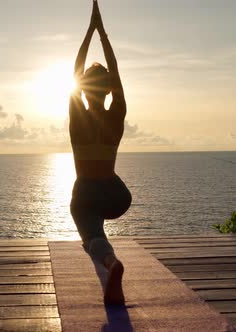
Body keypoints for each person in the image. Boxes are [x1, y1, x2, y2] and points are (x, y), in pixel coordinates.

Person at [69, 0, 132, 305]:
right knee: (96, 220)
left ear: (83, 89)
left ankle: (110, 262)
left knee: (91, 234)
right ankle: (106, 269)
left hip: (86, 192)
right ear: (108, 89)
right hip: (117, 195)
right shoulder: (116, 113)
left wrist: (89, 31)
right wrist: (103, 33)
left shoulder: (78, 117)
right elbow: (116, 72)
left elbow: (75, 71)